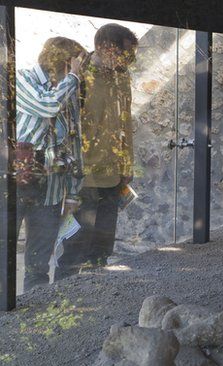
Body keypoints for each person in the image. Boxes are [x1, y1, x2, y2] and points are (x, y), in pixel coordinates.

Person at [56, 24, 137, 279]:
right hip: (84, 173)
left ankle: (96, 295)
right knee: (77, 243)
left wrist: (127, 165)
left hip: (112, 173)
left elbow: (126, 123)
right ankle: (62, 299)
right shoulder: (78, 76)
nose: (129, 60)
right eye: (125, 54)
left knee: (102, 245)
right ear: (105, 47)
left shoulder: (121, 76)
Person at [15, 37, 86, 290]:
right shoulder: (22, 79)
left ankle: (35, 316)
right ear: (64, 62)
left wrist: (74, 191)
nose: (80, 71)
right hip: (16, 182)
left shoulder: (67, 89)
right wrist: (74, 77)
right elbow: (47, 106)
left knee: (39, 262)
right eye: (76, 64)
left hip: (51, 189)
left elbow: (74, 141)